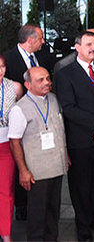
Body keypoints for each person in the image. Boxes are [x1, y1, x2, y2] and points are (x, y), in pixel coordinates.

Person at [55, 31, 94, 240]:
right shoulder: (65, 74)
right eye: (88, 44)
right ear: (77, 47)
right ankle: (82, 224)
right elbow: (68, 107)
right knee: (81, 184)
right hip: (81, 139)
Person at [8, 67, 67, 241]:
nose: (47, 83)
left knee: (53, 210)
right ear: (27, 84)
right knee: (37, 213)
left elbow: (59, 130)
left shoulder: (54, 99)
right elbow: (14, 142)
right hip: (36, 170)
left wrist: (66, 156)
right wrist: (23, 170)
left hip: (57, 165)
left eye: (48, 78)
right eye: (40, 80)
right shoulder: (19, 109)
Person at [0, 54, 22, 241]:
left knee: (6, 191)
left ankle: (6, 234)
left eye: (2, 67)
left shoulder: (14, 87)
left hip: (6, 146)